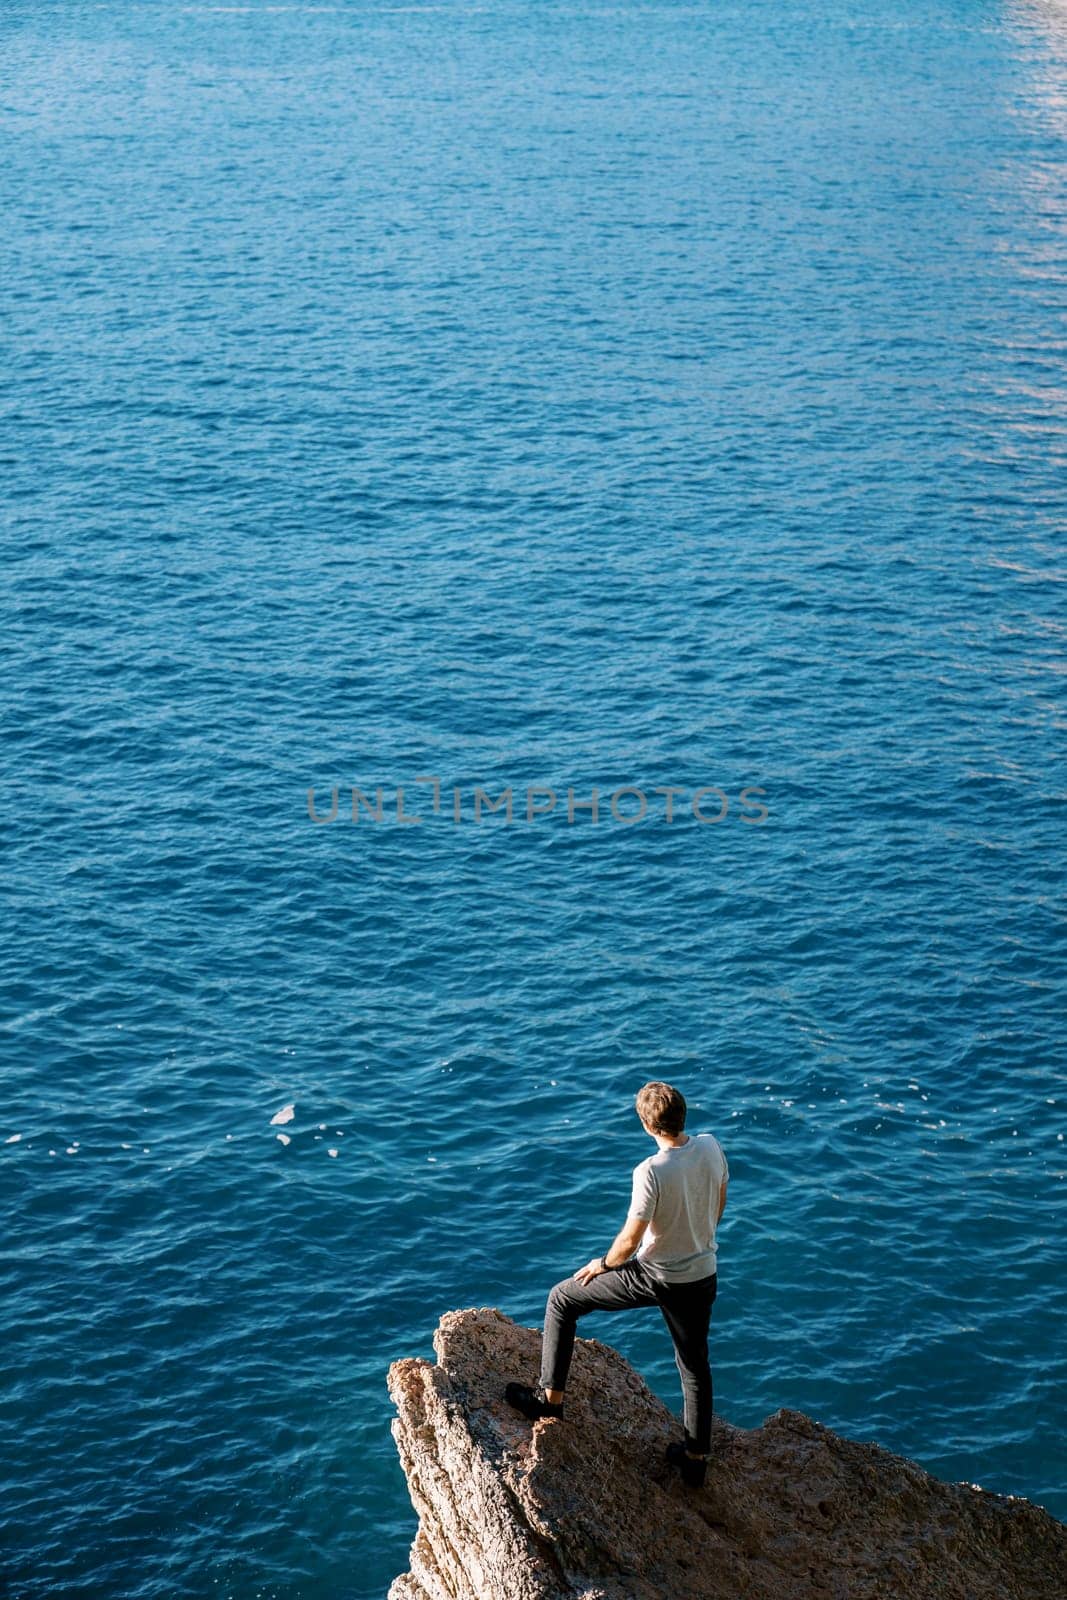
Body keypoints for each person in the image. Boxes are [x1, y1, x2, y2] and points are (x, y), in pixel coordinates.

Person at [504, 1081, 728, 1488]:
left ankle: (548, 1402)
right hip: (703, 1273)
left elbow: (628, 1241)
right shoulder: (711, 1146)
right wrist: (697, 1237)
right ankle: (696, 1459)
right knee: (695, 1367)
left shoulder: (650, 1172)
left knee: (562, 1300)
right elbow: (720, 1198)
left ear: (646, 1125)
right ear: (683, 1114)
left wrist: (602, 1265)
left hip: (657, 1277)